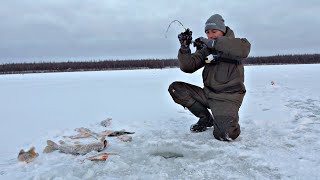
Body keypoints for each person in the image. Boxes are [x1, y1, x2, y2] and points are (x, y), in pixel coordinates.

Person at [168, 14, 251, 141]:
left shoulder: (237, 45)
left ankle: (225, 119)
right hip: (208, 94)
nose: (210, 35)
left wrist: (213, 43)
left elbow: (244, 50)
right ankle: (205, 119)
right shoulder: (207, 50)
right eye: (207, 32)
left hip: (228, 98)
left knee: (225, 135)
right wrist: (185, 48)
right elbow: (188, 66)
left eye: (214, 31)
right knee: (176, 88)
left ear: (222, 31)